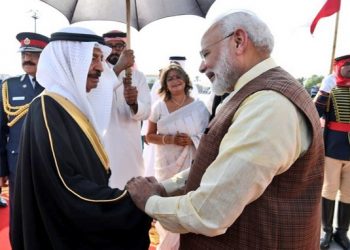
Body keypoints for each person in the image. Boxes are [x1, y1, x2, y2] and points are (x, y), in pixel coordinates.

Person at [126, 10, 324, 249]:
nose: (201, 66)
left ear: (238, 41)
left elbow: (209, 212)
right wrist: (163, 188)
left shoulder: (269, 104)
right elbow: (219, 165)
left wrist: (149, 201)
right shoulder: (250, 94)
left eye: (206, 53)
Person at [10, 26, 151, 250]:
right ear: (70, 62)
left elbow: (104, 91)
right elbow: (65, 186)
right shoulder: (48, 108)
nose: (100, 68)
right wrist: (126, 201)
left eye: (101, 59)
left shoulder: (70, 105)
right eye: (93, 59)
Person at [146, 63, 209, 250]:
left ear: (186, 80)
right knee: (168, 202)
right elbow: (149, 136)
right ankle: (167, 244)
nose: (175, 81)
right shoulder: (159, 107)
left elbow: (208, 135)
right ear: (165, 84)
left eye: (178, 77)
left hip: (192, 163)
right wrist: (171, 139)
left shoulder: (199, 107)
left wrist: (192, 140)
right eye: (170, 78)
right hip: (166, 164)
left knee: (188, 202)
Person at [0, 32, 49, 217]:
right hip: (17, 162)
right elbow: (1, 130)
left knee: (47, 213)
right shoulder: (8, 86)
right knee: (20, 214)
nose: (27, 59)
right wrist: (1, 168)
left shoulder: (56, 86)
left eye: (34, 54)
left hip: (50, 162)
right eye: (24, 54)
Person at [102, 30, 151, 189]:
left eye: (120, 46)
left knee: (132, 191)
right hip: (104, 144)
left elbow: (147, 111)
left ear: (126, 49)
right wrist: (119, 67)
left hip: (130, 147)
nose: (115, 50)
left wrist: (134, 104)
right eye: (110, 46)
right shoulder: (97, 74)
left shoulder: (138, 77)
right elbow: (95, 97)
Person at [314, 54, 350, 250]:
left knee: (348, 193)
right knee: (329, 189)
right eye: (347, 64)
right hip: (334, 147)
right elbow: (315, 112)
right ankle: (326, 230)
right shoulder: (332, 88)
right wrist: (324, 90)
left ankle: (342, 231)